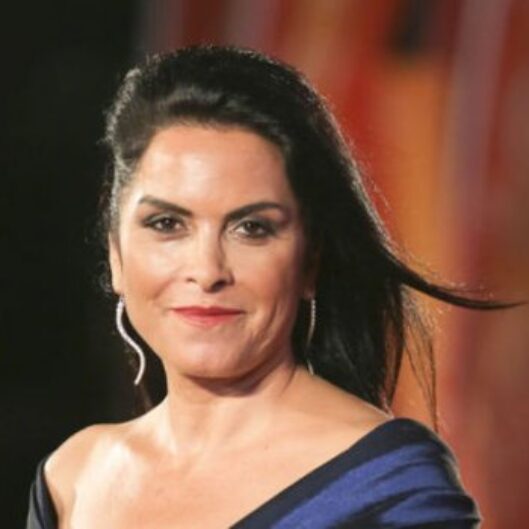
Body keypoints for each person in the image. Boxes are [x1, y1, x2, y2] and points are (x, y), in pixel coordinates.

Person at [26, 44, 498, 528]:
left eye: (251, 228)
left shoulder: (388, 483)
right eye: (167, 224)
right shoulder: (73, 478)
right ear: (116, 254)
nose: (207, 270)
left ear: (310, 261)